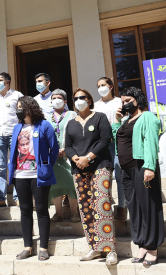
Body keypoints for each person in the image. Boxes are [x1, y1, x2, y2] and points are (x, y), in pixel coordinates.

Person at [64, 88, 117, 265]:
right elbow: (68, 145)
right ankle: (95, 247)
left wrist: (88, 157)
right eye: (76, 98)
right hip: (79, 168)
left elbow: (105, 139)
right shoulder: (71, 123)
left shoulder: (100, 117)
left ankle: (110, 250)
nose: (79, 100)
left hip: (100, 165)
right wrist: (75, 158)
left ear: (89, 99)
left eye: (82, 97)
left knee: (102, 203)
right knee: (85, 207)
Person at [112, 87, 164, 265]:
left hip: (142, 167)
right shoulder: (126, 120)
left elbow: (151, 142)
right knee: (134, 207)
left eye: (128, 100)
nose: (125, 104)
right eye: (123, 101)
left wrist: (149, 166)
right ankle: (141, 242)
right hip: (126, 170)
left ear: (137, 100)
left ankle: (152, 247)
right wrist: (118, 122)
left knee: (148, 206)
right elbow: (119, 140)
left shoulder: (147, 117)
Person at [7, 96, 58, 260]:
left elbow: (54, 149)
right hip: (20, 175)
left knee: (42, 210)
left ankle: (43, 247)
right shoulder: (17, 128)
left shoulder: (44, 125)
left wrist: (46, 165)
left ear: (30, 108)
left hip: (39, 175)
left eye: (21, 106)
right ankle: (27, 246)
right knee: (25, 211)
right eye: (18, 107)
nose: (19, 110)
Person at [0, 72, 23, 208]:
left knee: (15, 165)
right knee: (0, 167)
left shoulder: (17, 95)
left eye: (1, 80)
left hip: (14, 133)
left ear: (8, 82)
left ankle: (17, 197)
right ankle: (1, 198)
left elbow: (22, 114)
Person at [94, 77, 125, 220]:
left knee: (119, 174)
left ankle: (122, 207)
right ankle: (106, 206)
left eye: (104, 85)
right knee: (105, 175)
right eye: (99, 86)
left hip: (119, 142)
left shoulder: (119, 102)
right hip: (103, 145)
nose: (101, 88)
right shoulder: (95, 106)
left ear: (111, 86)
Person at [46, 89, 79, 223]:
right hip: (53, 156)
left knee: (71, 184)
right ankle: (58, 213)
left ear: (65, 101)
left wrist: (67, 149)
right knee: (56, 185)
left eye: (59, 97)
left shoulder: (72, 114)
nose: (56, 100)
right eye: (53, 98)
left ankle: (74, 212)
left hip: (69, 155)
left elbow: (77, 134)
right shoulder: (47, 117)